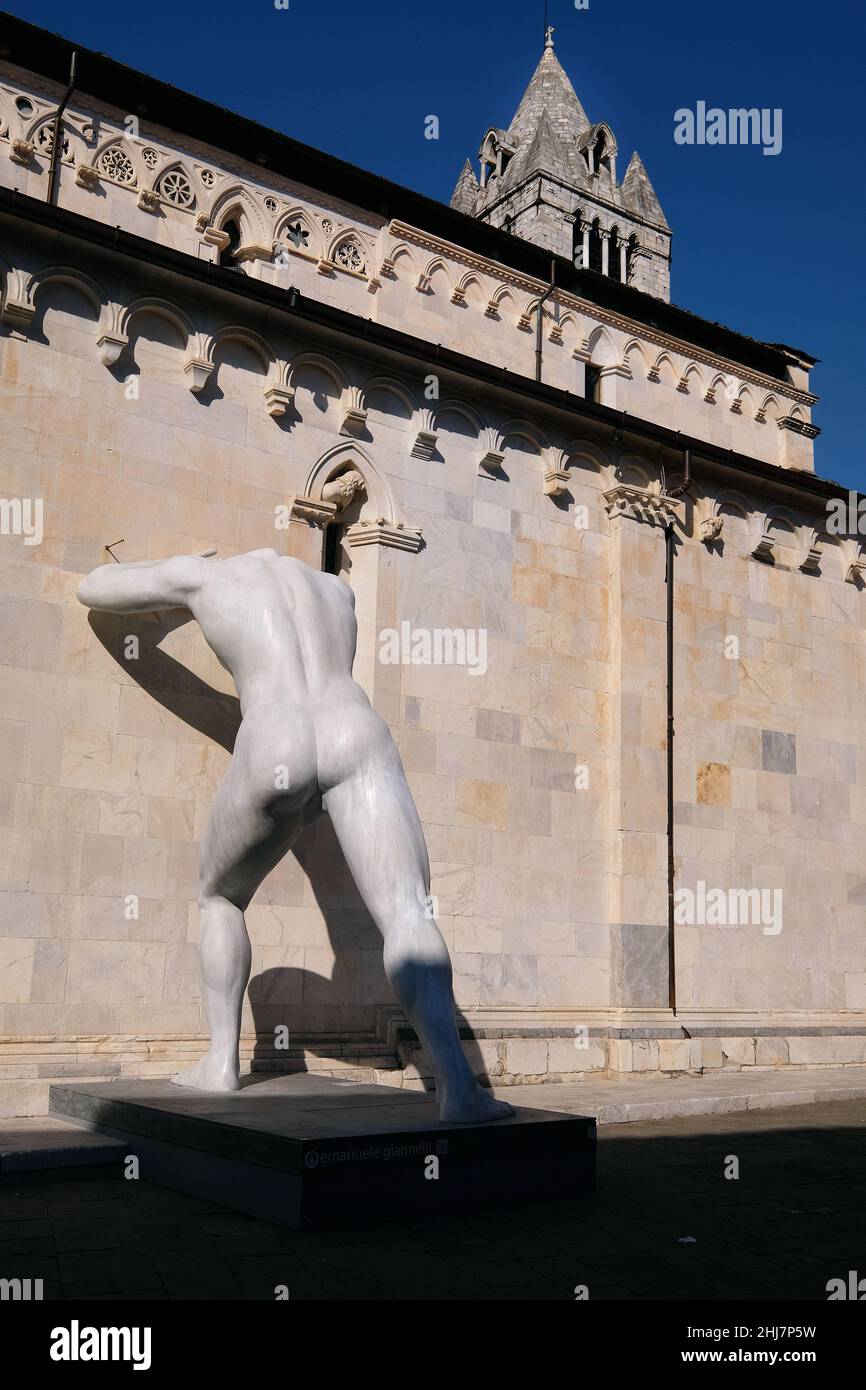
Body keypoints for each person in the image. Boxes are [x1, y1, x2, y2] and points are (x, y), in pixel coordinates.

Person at [78, 547, 513, 1124]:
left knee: (220, 897)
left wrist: (176, 590)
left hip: (272, 735)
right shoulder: (337, 589)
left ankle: (219, 1063)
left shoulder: (208, 575)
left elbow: (96, 587)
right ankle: (459, 1089)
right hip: (355, 731)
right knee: (409, 911)